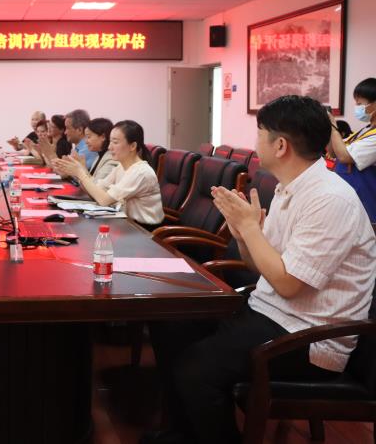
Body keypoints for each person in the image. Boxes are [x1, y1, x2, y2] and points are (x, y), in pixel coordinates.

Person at [145, 95, 376, 444]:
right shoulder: (290, 188)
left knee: (197, 369)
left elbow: (288, 284)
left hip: (310, 338)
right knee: (172, 323)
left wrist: (251, 229)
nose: (255, 142)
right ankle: (184, 433)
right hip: (271, 313)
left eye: (260, 133)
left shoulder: (329, 199)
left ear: (280, 145)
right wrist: (243, 234)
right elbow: (263, 268)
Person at [53, 120, 163, 225]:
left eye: (115, 142)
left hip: (143, 230)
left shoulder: (140, 172)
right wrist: (78, 172)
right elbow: (98, 189)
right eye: (110, 142)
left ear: (133, 146)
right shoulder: (121, 166)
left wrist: (80, 173)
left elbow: (104, 200)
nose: (110, 147)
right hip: (126, 223)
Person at [327, 78, 376, 223]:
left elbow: (345, 157)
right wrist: (328, 127)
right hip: (348, 200)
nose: (356, 108)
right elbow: (334, 152)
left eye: (360, 104)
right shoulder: (364, 131)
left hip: (366, 204)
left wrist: (334, 127)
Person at [51, 118, 116, 182]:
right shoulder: (99, 156)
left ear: (103, 137)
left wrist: (81, 169)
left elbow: (95, 186)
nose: (86, 141)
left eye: (89, 137)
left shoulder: (110, 159)